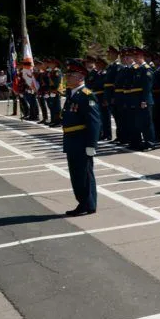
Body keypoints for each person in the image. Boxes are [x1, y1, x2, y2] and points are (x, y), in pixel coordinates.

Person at [60, 58, 101, 216]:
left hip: (82, 141)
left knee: (84, 174)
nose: (68, 77)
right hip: (72, 140)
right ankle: (84, 203)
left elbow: (94, 123)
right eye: (68, 74)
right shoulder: (72, 95)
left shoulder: (87, 96)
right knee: (76, 175)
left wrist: (92, 145)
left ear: (81, 77)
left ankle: (88, 204)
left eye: (71, 75)